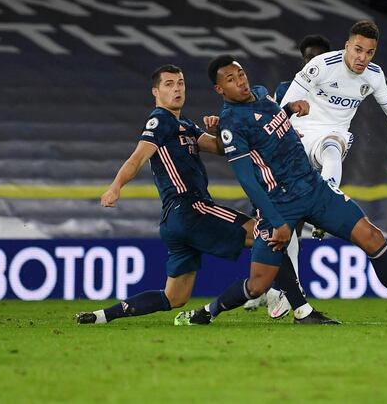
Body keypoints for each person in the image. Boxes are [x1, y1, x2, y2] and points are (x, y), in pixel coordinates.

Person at [174, 56, 387, 327]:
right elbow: (247, 179)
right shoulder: (232, 123)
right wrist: (277, 222)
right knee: (258, 285)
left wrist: (290, 109)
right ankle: (207, 313)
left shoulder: (261, 95)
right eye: (231, 80)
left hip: (314, 188)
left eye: (241, 74)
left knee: (373, 237)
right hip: (280, 203)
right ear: (220, 90)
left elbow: (269, 124)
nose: (241, 82)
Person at [75, 64, 322, 324]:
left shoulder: (183, 125)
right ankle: (292, 302)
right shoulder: (159, 121)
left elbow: (221, 148)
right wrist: (115, 187)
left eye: (180, 82)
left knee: (174, 297)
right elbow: (137, 158)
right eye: (169, 84)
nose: (177, 88)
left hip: (174, 221)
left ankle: (102, 316)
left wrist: (218, 129)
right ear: (155, 91)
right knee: (267, 232)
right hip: (191, 208)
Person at [246, 34, 334, 316]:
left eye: (318, 57)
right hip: (284, 168)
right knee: (275, 228)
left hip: (314, 166)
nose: (312, 62)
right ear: (303, 60)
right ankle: (272, 290)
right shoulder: (288, 89)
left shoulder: (337, 90)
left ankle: (277, 291)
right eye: (308, 58)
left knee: (286, 229)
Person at [278, 20, 387, 191]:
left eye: (370, 53)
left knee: (332, 150)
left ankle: (326, 202)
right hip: (299, 135)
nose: (363, 58)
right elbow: (282, 109)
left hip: (333, 134)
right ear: (347, 46)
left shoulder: (374, 75)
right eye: (358, 50)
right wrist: (285, 133)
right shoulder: (322, 65)